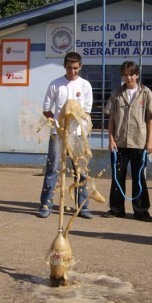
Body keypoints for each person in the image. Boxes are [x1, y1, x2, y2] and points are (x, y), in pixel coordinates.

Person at [37, 52, 93, 219]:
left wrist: (77, 123)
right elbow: (47, 110)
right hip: (58, 134)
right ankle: (46, 205)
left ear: (80, 67)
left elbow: (87, 112)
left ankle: (82, 207)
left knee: (80, 171)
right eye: (69, 68)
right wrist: (58, 124)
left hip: (78, 135)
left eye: (76, 68)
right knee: (52, 169)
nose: (72, 71)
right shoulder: (56, 85)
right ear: (64, 66)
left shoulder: (85, 86)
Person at [103, 61, 152, 222]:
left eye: (131, 74)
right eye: (125, 74)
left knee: (139, 177)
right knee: (117, 176)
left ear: (137, 75)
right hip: (119, 142)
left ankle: (141, 211)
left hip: (139, 142)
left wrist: (150, 142)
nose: (128, 78)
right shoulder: (116, 94)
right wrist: (111, 140)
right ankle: (116, 209)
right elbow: (112, 118)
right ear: (122, 75)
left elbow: (150, 119)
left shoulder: (146, 93)